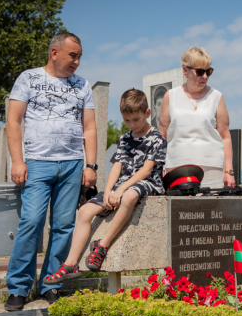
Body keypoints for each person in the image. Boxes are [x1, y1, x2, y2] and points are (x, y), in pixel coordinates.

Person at [5, 32, 97, 311]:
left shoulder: (82, 84)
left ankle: (51, 284)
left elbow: (89, 127)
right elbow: (13, 120)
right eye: (73, 55)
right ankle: (18, 288)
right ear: (54, 52)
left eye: (79, 57)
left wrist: (90, 165)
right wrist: (17, 161)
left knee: (63, 226)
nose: (77, 62)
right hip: (37, 162)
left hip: (72, 164)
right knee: (31, 222)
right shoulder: (28, 78)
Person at [44, 89, 167, 284]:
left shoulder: (156, 138)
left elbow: (145, 171)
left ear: (147, 112)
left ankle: (102, 245)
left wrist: (120, 190)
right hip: (123, 183)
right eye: (127, 120)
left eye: (136, 119)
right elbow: (116, 167)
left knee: (129, 196)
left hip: (148, 182)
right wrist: (109, 190)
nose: (132, 124)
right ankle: (70, 264)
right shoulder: (125, 138)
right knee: (85, 211)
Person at [159, 46, 234, 187]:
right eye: (200, 72)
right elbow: (163, 135)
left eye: (208, 71)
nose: (205, 76)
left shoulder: (216, 96)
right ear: (185, 70)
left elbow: (225, 136)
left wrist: (229, 172)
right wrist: (160, 167)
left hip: (211, 168)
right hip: (176, 168)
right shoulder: (170, 96)